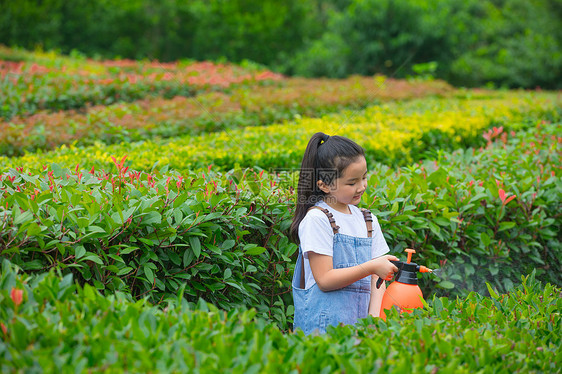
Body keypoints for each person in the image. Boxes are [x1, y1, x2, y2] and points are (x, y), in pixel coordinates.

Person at [290, 132, 398, 335]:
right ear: (324, 185)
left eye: (364, 177)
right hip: (322, 331)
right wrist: (372, 266)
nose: (362, 186)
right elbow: (325, 279)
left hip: (361, 329)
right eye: (352, 182)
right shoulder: (318, 219)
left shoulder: (368, 220)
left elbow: (378, 277)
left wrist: (373, 322)